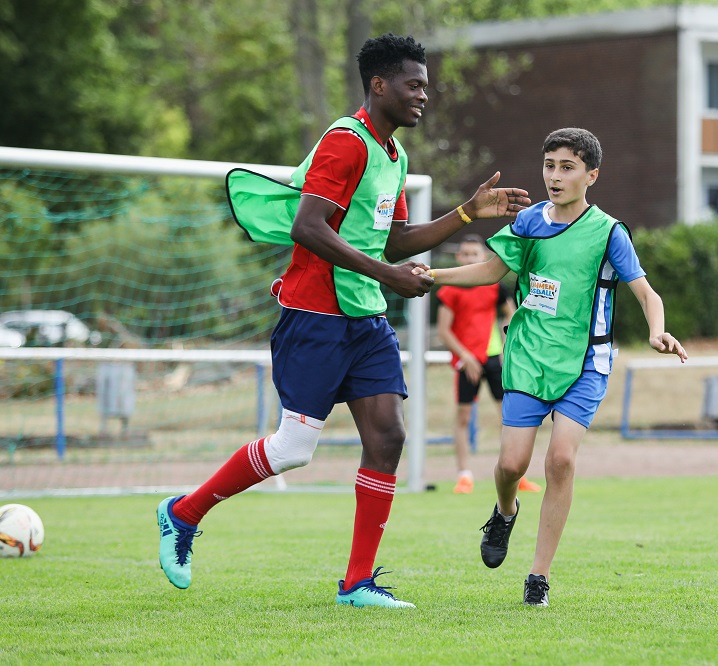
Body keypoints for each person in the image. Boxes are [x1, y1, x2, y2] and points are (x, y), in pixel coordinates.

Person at [155, 33, 530, 609]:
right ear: (379, 85)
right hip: (315, 315)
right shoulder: (344, 142)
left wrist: (465, 213)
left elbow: (397, 238)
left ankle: (356, 584)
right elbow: (309, 226)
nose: (423, 95)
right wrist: (385, 274)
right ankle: (182, 513)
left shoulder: (394, 155)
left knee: (388, 436)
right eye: (413, 84)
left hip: (364, 318)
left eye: (426, 86)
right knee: (294, 447)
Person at [416, 127, 687, 607]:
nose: (555, 177)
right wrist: (433, 275)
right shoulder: (528, 222)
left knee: (560, 459)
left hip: (586, 362)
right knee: (510, 464)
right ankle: (504, 511)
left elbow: (647, 292)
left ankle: (538, 576)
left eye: (567, 167)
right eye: (549, 166)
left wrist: (656, 331)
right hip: (528, 354)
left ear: (591, 175)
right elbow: (492, 271)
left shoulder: (609, 232)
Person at [435, 235, 540, 495]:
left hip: (494, 359)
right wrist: (465, 356)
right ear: (459, 258)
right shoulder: (449, 290)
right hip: (466, 363)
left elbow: (512, 314)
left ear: (483, 257)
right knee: (463, 417)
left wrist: (507, 348)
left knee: (510, 417)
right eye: (465, 254)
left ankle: (516, 473)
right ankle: (464, 476)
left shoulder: (494, 287)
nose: (470, 258)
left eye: (475, 254)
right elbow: (444, 330)